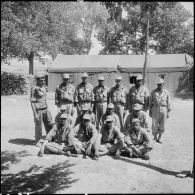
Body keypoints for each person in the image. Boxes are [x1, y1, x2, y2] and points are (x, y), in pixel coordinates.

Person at [30, 72, 54, 146]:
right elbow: (33, 103)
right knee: (38, 126)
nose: (43, 81)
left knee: (49, 124)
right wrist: (35, 114)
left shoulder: (44, 87)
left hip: (46, 109)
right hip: (39, 110)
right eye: (41, 80)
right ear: (37, 80)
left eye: (43, 80)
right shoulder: (34, 89)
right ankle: (38, 141)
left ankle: (49, 138)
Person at [149, 78, 171, 143]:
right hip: (155, 110)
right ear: (157, 85)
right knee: (154, 124)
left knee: (162, 125)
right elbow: (150, 102)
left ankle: (160, 138)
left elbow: (168, 102)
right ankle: (155, 137)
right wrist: (150, 111)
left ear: (163, 84)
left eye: (161, 84)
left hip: (163, 110)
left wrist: (168, 111)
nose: (159, 86)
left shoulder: (166, 92)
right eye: (158, 84)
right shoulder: (153, 92)